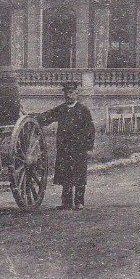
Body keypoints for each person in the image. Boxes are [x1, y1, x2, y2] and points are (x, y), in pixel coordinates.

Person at [36, 82, 95, 210]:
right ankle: (66, 202)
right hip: (64, 148)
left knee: (79, 175)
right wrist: (35, 118)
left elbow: (90, 129)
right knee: (65, 174)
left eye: (71, 93)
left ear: (76, 94)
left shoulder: (83, 110)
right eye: (66, 93)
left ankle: (79, 202)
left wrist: (89, 147)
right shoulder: (61, 109)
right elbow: (47, 117)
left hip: (79, 148)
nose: (68, 95)